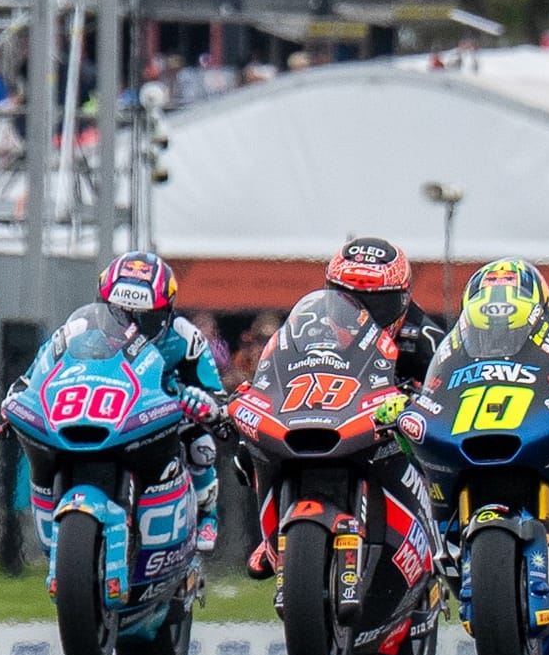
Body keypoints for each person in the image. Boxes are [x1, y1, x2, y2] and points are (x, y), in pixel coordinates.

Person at [384, 258, 549, 575]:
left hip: (546, 412)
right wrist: (410, 403)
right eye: (488, 326)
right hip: (483, 418)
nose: (497, 332)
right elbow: (436, 385)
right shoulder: (459, 339)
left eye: (508, 324)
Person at [246, 236, 446, 578]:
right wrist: (259, 391)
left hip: (386, 431)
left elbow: (445, 392)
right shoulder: (309, 323)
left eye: (376, 300)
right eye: (347, 298)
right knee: (247, 445)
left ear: (401, 299)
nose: (361, 311)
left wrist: (417, 401)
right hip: (323, 412)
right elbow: (277, 364)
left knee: (432, 449)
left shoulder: (425, 337)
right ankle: (270, 536)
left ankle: (438, 537)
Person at [94, 251, 229, 552]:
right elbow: (52, 366)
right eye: (120, 314)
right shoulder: (85, 330)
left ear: (166, 312)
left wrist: (203, 403)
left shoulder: (186, 337)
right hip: (103, 409)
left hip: (161, 411)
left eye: (144, 317)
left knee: (201, 445)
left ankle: (207, 514)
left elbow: (218, 397)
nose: (131, 326)